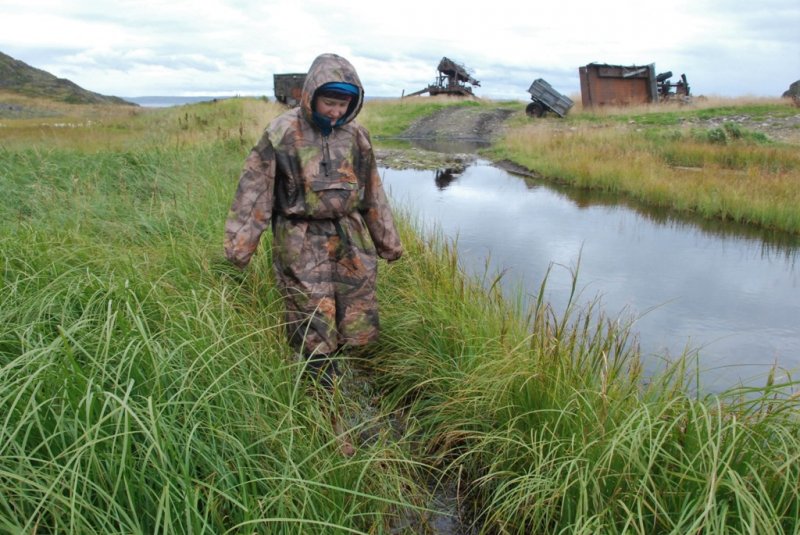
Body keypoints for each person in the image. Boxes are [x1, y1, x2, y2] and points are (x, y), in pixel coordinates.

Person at [223, 53, 403, 456]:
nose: (336, 110)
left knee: (349, 322)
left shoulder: (356, 136)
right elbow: (255, 190)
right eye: (329, 102)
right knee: (311, 326)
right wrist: (240, 247)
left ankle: (339, 391)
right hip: (300, 240)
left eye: (344, 103)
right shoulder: (282, 132)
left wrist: (388, 242)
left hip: (350, 240)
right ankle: (329, 422)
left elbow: (373, 191)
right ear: (311, 95)